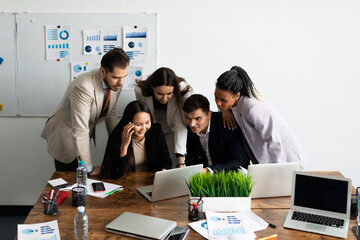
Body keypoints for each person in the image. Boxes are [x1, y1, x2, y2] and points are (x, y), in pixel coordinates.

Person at [41, 47, 130, 175]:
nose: (121, 82)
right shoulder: (83, 87)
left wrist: (115, 143)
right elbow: (80, 129)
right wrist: (89, 169)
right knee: (71, 183)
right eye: (116, 77)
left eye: (124, 77)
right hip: (65, 135)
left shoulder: (116, 83)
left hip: (80, 132)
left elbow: (110, 112)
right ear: (102, 71)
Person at [214, 66, 308, 170]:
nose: (218, 103)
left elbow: (273, 139)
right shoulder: (234, 105)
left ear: (237, 95)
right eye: (216, 97)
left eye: (223, 100)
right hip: (265, 163)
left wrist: (280, 170)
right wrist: (225, 110)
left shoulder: (252, 108)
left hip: (286, 159)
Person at [135, 67, 192, 168]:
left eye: (169, 94)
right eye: (160, 93)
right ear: (152, 87)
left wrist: (180, 161)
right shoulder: (141, 91)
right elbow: (143, 118)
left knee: (175, 167)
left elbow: (180, 124)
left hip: (173, 130)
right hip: (153, 130)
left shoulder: (183, 91)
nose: (164, 98)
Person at [101, 100, 172, 179]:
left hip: (151, 181)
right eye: (138, 124)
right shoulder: (118, 135)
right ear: (128, 123)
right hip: (127, 182)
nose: (143, 128)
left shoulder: (156, 131)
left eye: (147, 122)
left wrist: (162, 173)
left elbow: (167, 161)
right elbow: (116, 174)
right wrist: (124, 146)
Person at [183, 94, 249, 173]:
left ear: (209, 114)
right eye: (188, 118)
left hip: (229, 178)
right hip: (204, 182)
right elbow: (190, 160)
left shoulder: (227, 123)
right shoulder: (190, 129)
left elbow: (240, 161)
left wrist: (209, 171)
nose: (192, 124)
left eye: (198, 118)